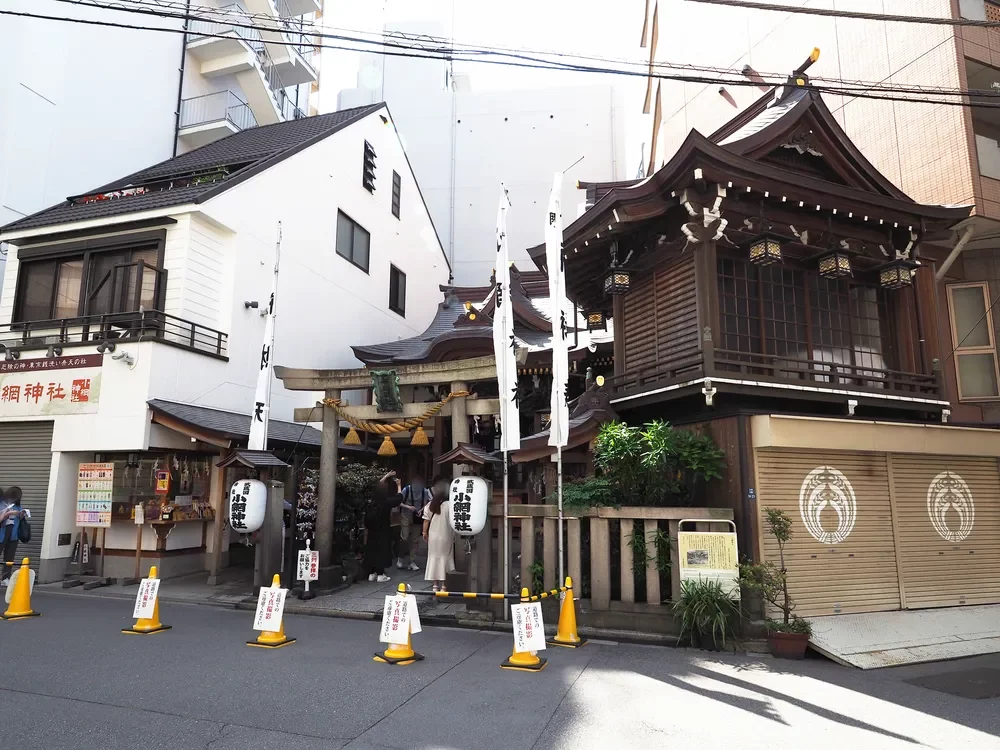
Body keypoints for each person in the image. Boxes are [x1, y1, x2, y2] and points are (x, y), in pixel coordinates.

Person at [363, 471, 400, 583]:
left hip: (372, 531)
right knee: (382, 551)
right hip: (383, 530)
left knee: (372, 550)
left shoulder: (371, 502)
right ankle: (380, 574)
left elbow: (377, 487)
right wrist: (398, 485)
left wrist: (386, 476)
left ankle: (372, 573)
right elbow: (399, 498)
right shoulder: (386, 502)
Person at [422, 475, 455, 592]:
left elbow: (426, 520)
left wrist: (424, 533)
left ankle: (435, 585)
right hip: (446, 535)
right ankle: (444, 586)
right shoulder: (450, 505)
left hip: (433, 536)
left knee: (433, 559)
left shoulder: (430, 505)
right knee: (444, 559)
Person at [396, 473, 432, 571]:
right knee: (405, 536)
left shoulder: (425, 491)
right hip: (406, 515)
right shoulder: (406, 490)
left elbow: (430, 501)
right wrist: (408, 507)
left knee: (415, 540)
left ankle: (412, 561)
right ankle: (400, 557)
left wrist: (422, 510)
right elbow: (398, 501)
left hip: (417, 516)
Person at [0, 486, 29, 585]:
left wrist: (21, 514)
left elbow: (20, 518)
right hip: (2, 531)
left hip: (14, 533)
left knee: (9, 557)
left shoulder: (17, 506)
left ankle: (5, 577)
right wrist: (7, 514)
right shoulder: (1, 504)